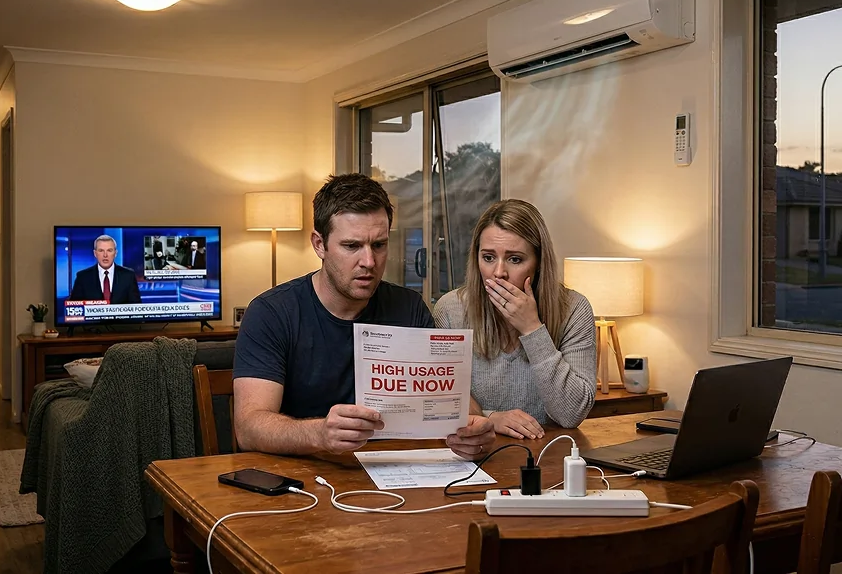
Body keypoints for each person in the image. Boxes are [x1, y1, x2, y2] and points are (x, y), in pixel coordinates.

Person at [233, 174, 496, 459]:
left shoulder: (408, 307)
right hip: (302, 476)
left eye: (379, 245)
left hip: (395, 468)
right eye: (352, 246)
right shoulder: (271, 313)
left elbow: (453, 398)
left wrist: (473, 426)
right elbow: (248, 427)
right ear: (319, 244)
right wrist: (319, 434)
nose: (369, 262)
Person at [434, 199, 597, 439]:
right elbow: (439, 400)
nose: (499, 272)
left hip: (547, 454)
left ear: (539, 263)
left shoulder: (574, 309)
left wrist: (532, 329)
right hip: (473, 451)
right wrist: (491, 418)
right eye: (488, 257)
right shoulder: (450, 310)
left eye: (515, 259)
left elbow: (571, 414)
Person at [69, 235, 143, 303]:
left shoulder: (128, 275)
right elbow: (74, 307)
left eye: (109, 250)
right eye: (101, 251)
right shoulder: (83, 277)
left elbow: (136, 306)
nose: (105, 255)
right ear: (95, 253)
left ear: (115, 253)